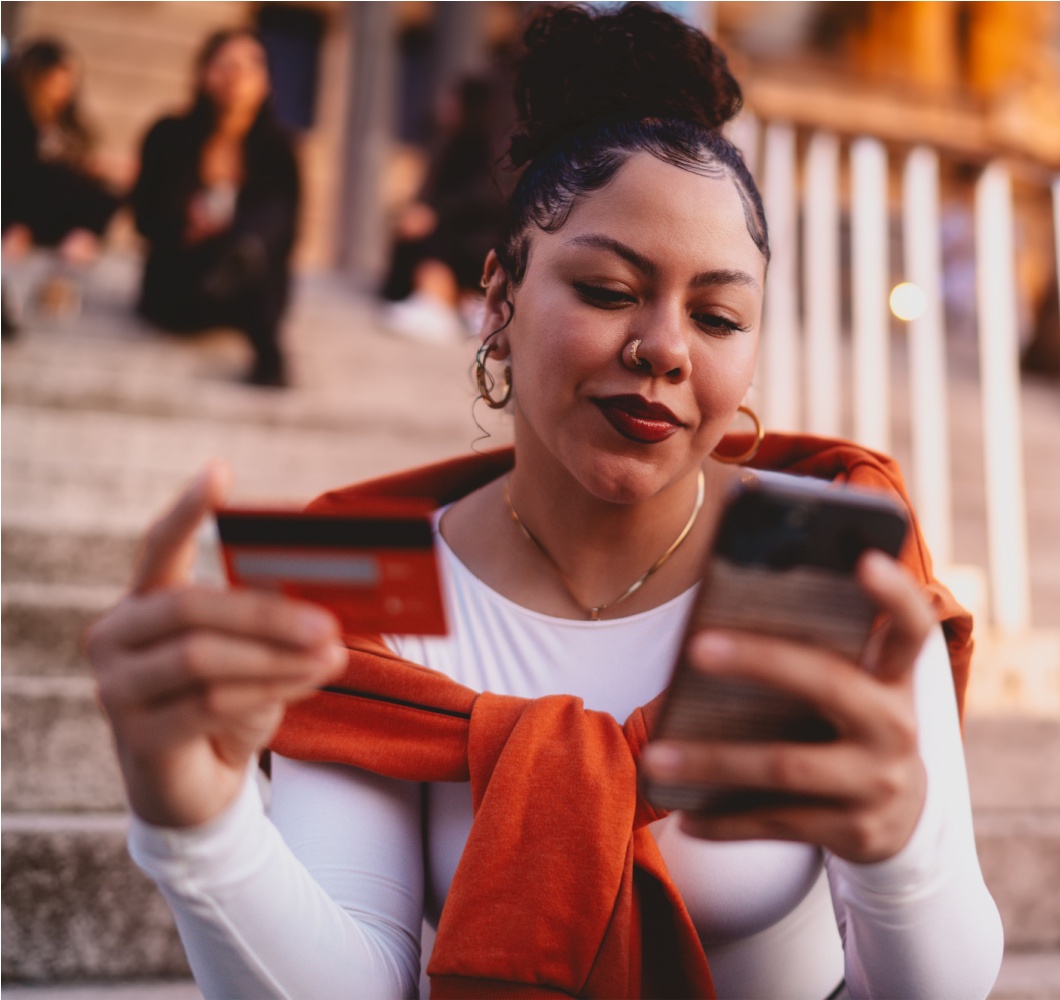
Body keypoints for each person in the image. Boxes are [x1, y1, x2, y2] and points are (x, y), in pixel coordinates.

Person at [84, 5, 1004, 998]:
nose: (665, 347)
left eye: (718, 313)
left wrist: (901, 849)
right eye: (609, 290)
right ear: (499, 300)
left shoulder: (821, 548)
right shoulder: (354, 569)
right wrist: (202, 830)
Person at [131, 29, 301, 388]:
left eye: (251, 66)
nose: (237, 75)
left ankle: (240, 258)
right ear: (203, 73)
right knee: (248, 250)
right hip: (183, 278)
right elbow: (143, 216)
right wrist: (184, 226)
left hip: (251, 285)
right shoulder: (168, 135)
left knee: (268, 220)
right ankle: (238, 262)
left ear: (266, 82)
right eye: (226, 64)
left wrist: (240, 235)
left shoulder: (279, 151)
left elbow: (289, 232)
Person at [1, 37, 121, 332]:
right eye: (57, 80)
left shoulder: (68, 125)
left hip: (55, 211)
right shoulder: (13, 116)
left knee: (103, 189)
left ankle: (79, 241)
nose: (65, 90)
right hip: (19, 206)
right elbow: (17, 173)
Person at [381, 75, 507, 343]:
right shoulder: (452, 141)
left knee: (429, 240)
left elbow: (478, 198)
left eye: (451, 100)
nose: (444, 106)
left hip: (469, 236)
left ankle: (436, 303)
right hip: (460, 229)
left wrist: (432, 214)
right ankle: (448, 302)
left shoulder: (479, 145)